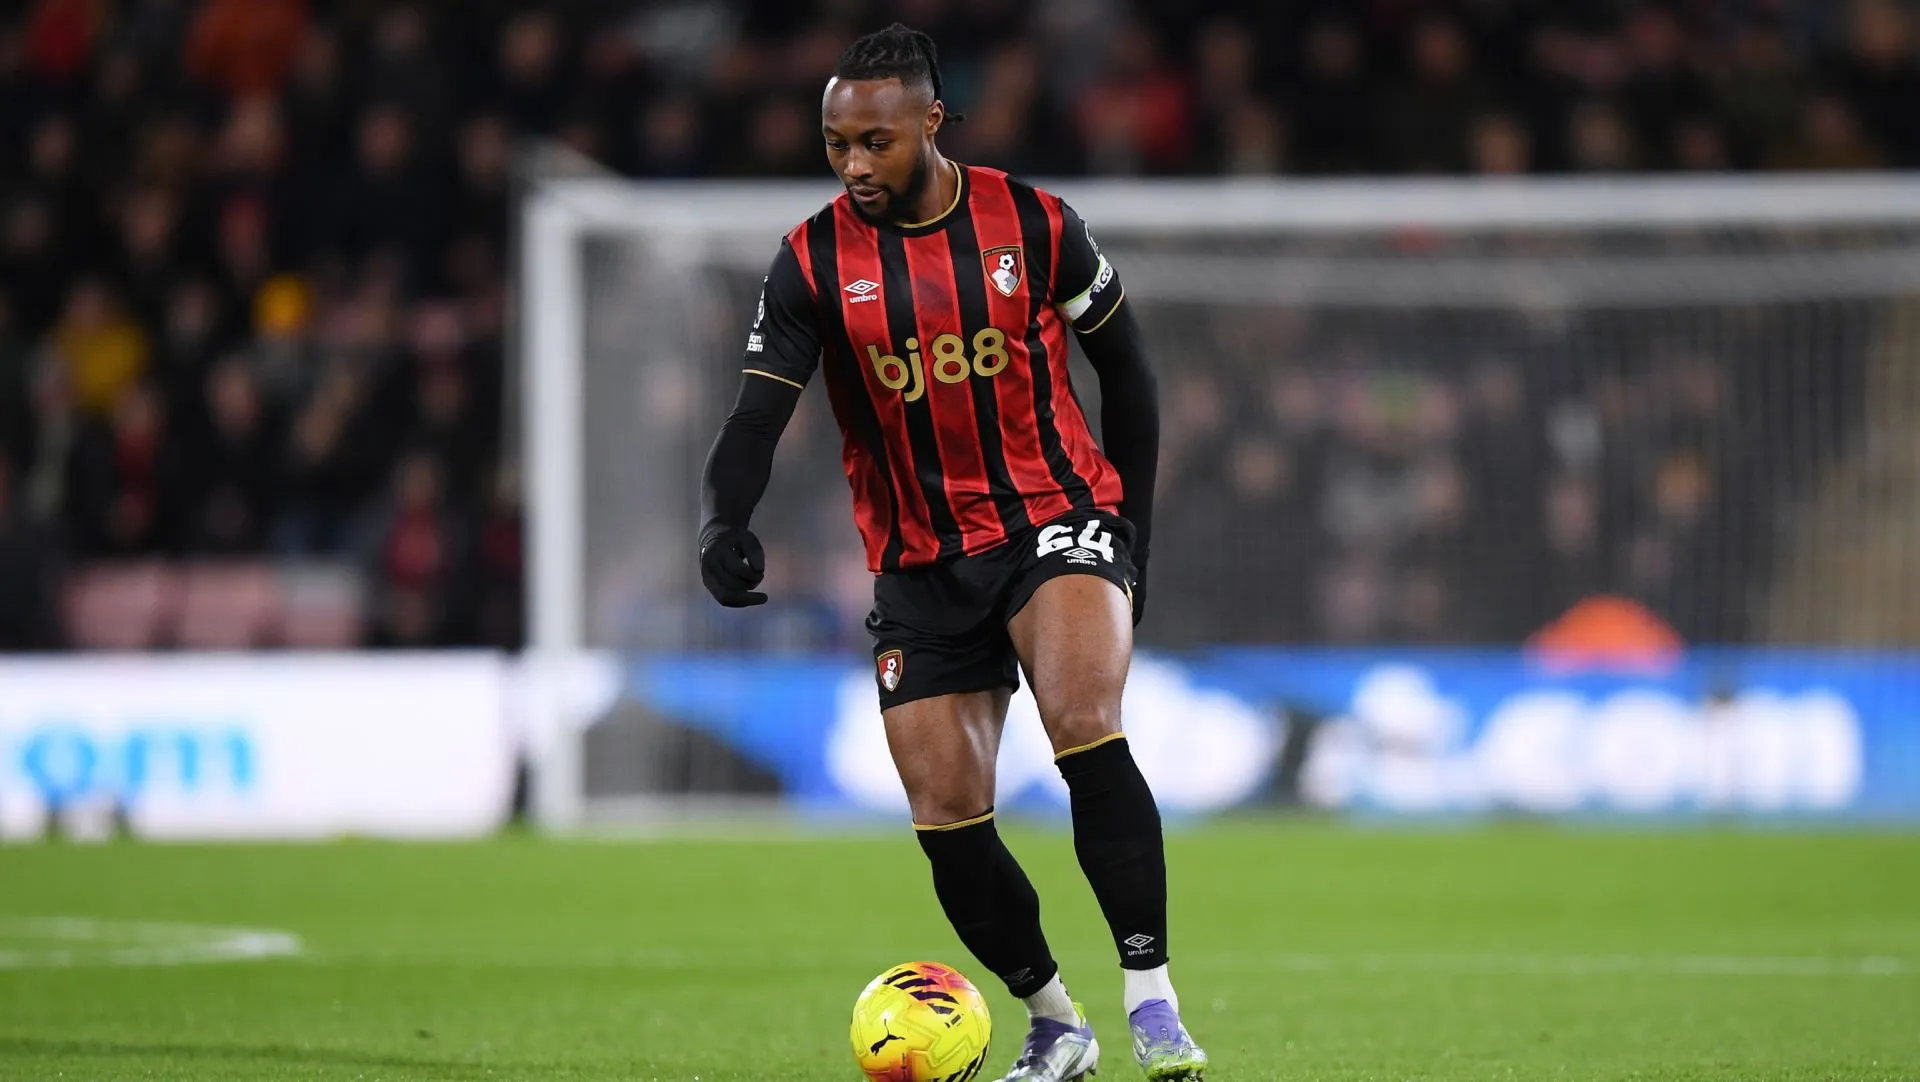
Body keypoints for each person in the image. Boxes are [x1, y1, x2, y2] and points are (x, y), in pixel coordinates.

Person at [695, 23, 1206, 1082]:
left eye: (874, 142)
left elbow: (1134, 377)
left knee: (1083, 725)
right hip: (919, 561)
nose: (853, 165)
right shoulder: (811, 260)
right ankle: (1058, 1021)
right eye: (836, 143)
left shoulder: (1036, 223)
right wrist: (723, 519)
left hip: (1051, 518)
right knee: (947, 820)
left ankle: (1153, 1000)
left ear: (931, 121)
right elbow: (754, 417)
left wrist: (1132, 536)